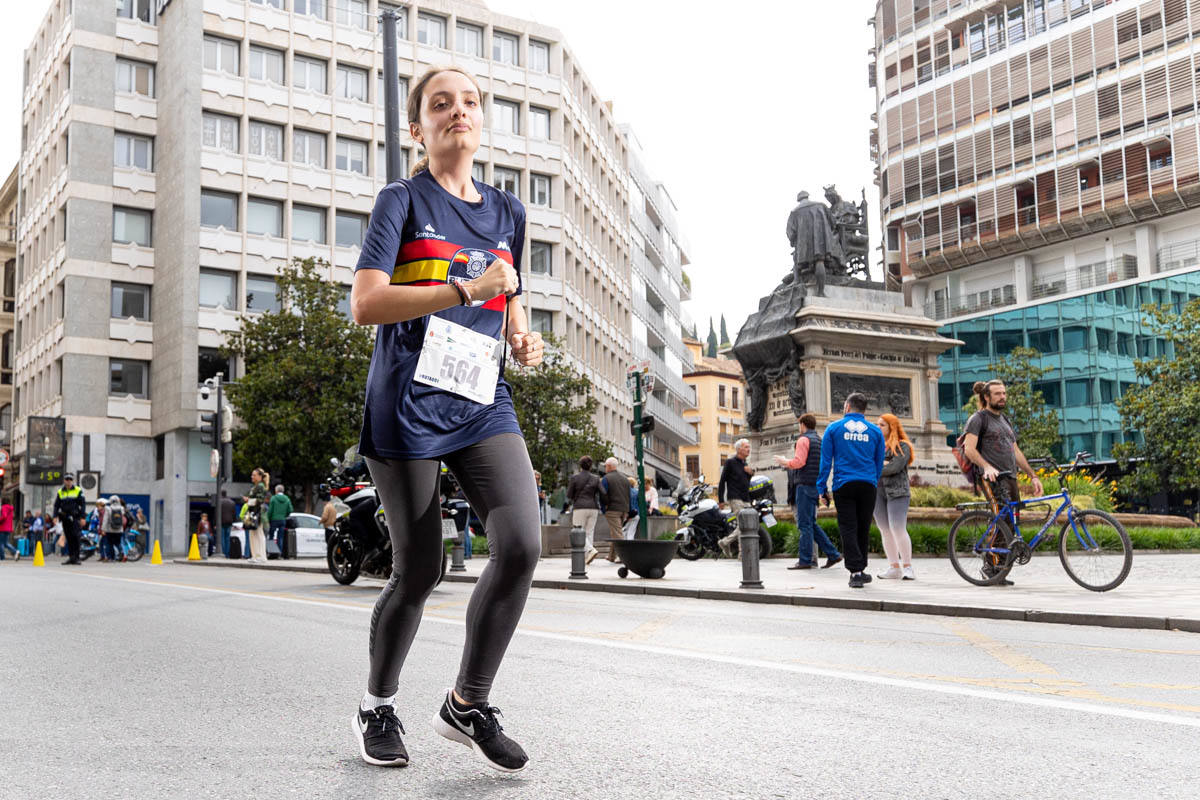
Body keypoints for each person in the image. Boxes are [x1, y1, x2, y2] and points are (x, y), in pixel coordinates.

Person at [347, 65, 545, 772]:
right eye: (440, 104)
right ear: (418, 127)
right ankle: (376, 704)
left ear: (481, 119)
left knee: (522, 543)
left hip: (480, 396)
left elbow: (508, 291)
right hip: (406, 400)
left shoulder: (508, 211)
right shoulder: (400, 199)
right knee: (419, 569)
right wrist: (465, 286)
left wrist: (520, 333)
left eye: (468, 102)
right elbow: (366, 303)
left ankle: (467, 702)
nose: (457, 111)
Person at [962, 380, 1044, 587]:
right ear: (987, 397)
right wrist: (986, 467)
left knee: (1011, 520)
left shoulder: (1004, 420)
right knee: (1002, 519)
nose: (1002, 397)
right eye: (997, 394)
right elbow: (969, 449)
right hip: (991, 478)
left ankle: (1000, 569)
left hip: (1010, 477)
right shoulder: (978, 419)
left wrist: (1033, 475)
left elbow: (1015, 451)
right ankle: (990, 567)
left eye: (1004, 393)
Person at [816, 393, 885, 588]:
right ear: (864, 409)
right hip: (868, 484)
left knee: (848, 526)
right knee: (863, 527)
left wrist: (822, 488)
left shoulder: (833, 428)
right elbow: (878, 462)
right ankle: (860, 568)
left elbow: (825, 462)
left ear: (846, 406)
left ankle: (855, 572)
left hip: (843, 484)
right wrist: (873, 479)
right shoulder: (875, 431)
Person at [775, 414, 841, 570]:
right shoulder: (819, 440)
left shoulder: (803, 440)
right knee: (811, 523)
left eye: (799, 425)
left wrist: (784, 461)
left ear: (802, 424)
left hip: (804, 486)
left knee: (804, 525)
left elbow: (799, 462)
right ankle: (833, 554)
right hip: (814, 485)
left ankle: (805, 560)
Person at [874, 413, 915, 581]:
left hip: (897, 491)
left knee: (898, 528)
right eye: (877, 424)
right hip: (876, 491)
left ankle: (907, 567)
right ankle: (894, 567)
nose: (878, 427)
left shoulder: (902, 445)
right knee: (884, 530)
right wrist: (882, 464)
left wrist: (876, 466)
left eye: (882, 425)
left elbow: (895, 467)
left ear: (892, 426)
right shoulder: (874, 445)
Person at [717, 439, 755, 556]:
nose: (748, 449)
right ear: (739, 449)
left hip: (746, 498)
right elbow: (722, 481)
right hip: (734, 497)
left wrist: (750, 474)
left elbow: (746, 483)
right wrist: (721, 500)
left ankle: (724, 542)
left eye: (749, 447)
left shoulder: (745, 464)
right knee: (742, 524)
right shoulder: (730, 462)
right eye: (746, 447)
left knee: (748, 524)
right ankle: (741, 554)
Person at [565, 456, 601, 564]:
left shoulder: (575, 478)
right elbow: (602, 492)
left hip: (580, 507)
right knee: (589, 532)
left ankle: (590, 550)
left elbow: (569, 494)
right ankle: (587, 557)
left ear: (580, 465)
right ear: (591, 466)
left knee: (578, 531)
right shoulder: (596, 478)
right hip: (593, 507)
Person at [598, 457, 631, 562]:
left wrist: (604, 508)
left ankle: (624, 556)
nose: (605, 468)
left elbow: (603, 495)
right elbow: (629, 494)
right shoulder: (625, 478)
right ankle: (611, 556)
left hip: (612, 509)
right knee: (616, 531)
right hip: (624, 509)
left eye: (605, 466)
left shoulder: (606, 478)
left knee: (617, 533)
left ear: (608, 466)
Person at [53, 474, 86, 565]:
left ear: (72, 481)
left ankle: (76, 558)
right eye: (67, 479)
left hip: (75, 518)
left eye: (70, 479)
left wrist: (83, 517)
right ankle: (71, 557)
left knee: (76, 537)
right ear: (64, 480)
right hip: (65, 518)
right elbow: (56, 505)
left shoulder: (78, 490)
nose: (68, 481)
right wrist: (55, 516)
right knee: (69, 537)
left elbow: (83, 504)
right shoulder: (60, 491)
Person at [243, 469, 270, 564]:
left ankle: (260, 556)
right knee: (253, 534)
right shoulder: (256, 486)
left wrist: (248, 500)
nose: (252, 476)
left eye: (254, 475)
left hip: (258, 513)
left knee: (258, 534)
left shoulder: (260, 486)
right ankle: (255, 556)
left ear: (259, 477)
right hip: (254, 512)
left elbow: (260, 500)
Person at [267, 484, 293, 555]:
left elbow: (270, 511)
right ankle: (279, 553)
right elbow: (290, 510)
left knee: (271, 536)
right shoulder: (287, 499)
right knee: (280, 537)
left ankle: (272, 552)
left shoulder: (273, 498)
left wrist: (268, 519)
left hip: (273, 520)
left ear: (276, 490)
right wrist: (285, 515)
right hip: (282, 520)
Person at [105, 496, 127, 562]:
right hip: (119, 529)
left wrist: (103, 529)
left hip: (110, 529)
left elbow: (105, 520)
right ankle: (122, 552)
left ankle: (112, 558)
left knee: (110, 544)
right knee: (118, 543)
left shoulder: (108, 508)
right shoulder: (122, 508)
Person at [219, 490, 236, 558]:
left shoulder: (219, 502)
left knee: (222, 538)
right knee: (227, 539)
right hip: (229, 522)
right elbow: (234, 513)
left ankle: (223, 553)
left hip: (221, 522)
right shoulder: (232, 502)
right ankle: (227, 554)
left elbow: (216, 513)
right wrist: (233, 522)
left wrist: (215, 523)